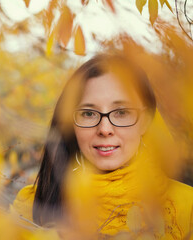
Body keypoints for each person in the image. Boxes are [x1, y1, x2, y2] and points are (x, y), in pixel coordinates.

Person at [11, 54, 193, 239]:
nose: (105, 129)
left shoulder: (187, 207)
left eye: (121, 112)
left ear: (145, 122)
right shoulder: (33, 205)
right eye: (89, 113)